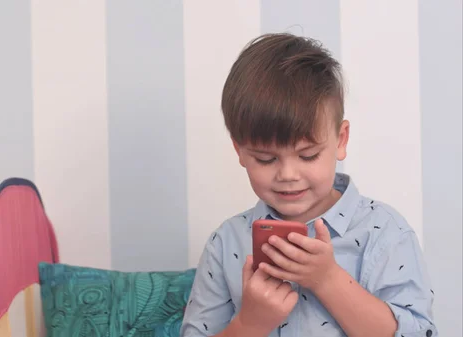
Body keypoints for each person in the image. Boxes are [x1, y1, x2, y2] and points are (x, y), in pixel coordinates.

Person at [180, 33, 437, 337]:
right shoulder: (226, 243)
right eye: (265, 159)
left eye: (308, 155)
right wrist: (251, 323)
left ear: (340, 141)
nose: (288, 174)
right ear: (240, 151)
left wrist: (327, 279)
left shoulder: (385, 233)